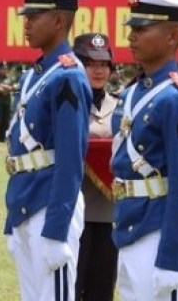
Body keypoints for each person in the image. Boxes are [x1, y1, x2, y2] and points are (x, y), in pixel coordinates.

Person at [111, 0, 178, 301]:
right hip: (129, 223)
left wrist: (174, 258)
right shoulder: (134, 91)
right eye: (132, 27)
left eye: (141, 28)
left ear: (172, 36)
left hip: (160, 229)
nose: (131, 36)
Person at [4, 0, 93, 301]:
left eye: (34, 16)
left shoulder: (68, 77)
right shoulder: (34, 75)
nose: (26, 24)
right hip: (26, 200)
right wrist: (11, 220)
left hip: (52, 205)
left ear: (58, 20)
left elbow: (71, 161)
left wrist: (57, 228)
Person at [72, 33, 118, 301]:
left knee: (102, 288)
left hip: (109, 212)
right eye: (90, 63)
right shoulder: (69, 103)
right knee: (71, 287)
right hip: (74, 209)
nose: (98, 70)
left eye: (104, 64)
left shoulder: (121, 105)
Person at [0, 61, 14, 142]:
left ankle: (4, 138)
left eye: (6, 68)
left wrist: (4, 87)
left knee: (6, 120)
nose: (5, 70)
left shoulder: (8, 78)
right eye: (4, 68)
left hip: (7, 102)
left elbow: (13, 87)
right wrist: (4, 88)